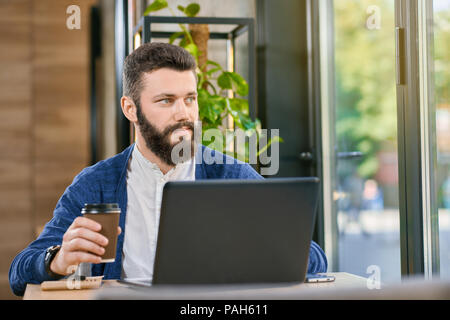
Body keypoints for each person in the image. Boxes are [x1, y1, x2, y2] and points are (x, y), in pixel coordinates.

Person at [9, 42, 327, 296]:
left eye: (190, 99)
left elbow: (316, 259)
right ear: (130, 108)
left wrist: (271, 247)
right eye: (166, 100)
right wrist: (58, 260)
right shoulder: (96, 184)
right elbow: (19, 274)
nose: (183, 113)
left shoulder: (231, 176)